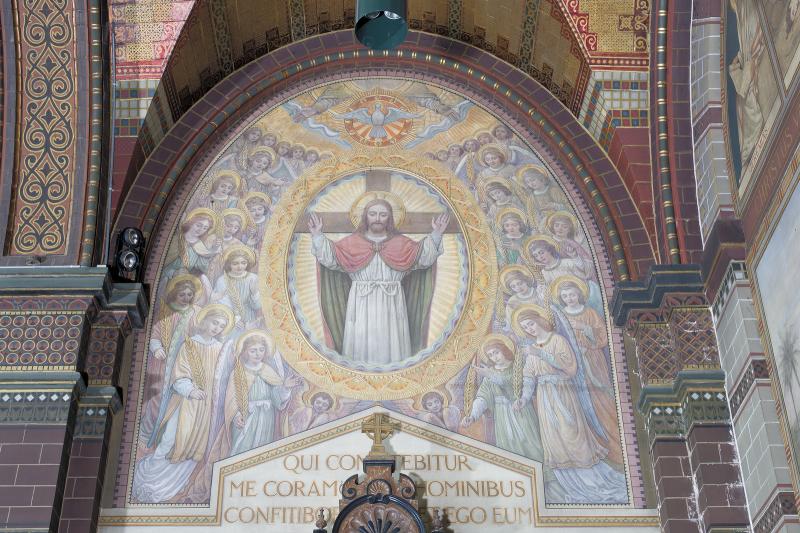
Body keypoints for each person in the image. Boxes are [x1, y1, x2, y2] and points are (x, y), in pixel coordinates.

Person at [308, 195, 448, 365]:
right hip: (360, 303)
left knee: (393, 343)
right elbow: (331, 257)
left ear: (389, 218)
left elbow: (423, 257)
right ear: (365, 216)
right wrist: (317, 235)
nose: (377, 218)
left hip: (392, 303)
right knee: (360, 344)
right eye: (373, 214)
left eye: (383, 214)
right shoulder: (352, 242)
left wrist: (436, 234)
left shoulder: (401, 243)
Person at [512, 305, 626, 503]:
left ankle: (593, 483)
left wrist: (541, 354)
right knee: (555, 440)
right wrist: (523, 398)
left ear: (539, 320)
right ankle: (574, 486)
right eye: (525, 327)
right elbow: (529, 376)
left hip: (563, 392)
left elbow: (570, 367)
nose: (529, 329)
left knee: (572, 434)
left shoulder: (557, 340)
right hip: (545, 398)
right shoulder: (531, 349)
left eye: (530, 324)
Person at [132, 304, 235, 503]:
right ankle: (152, 477)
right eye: (214, 322)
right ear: (204, 320)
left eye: (221, 326)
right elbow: (179, 373)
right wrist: (190, 390)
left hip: (206, 407)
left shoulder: (219, 350)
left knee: (195, 445)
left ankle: (173, 484)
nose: (216, 328)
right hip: (186, 402)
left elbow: (224, 377)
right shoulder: (189, 344)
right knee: (171, 439)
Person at [552, 276, 622, 466]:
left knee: (602, 398)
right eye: (565, 296)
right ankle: (598, 446)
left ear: (579, 294)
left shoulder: (590, 313)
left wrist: (585, 329)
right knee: (582, 403)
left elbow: (603, 337)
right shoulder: (560, 317)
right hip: (575, 364)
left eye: (572, 294)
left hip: (593, 360)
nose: (569, 298)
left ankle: (615, 441)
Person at [460, 334, 544, 463]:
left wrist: (491, 376)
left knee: (532, 446)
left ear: (504, 349)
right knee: (509, 448)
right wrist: (472, 416)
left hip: (521, 411)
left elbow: (513, 385)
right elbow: (483, 397)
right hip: (502, 417)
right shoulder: (490, 372)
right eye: (490, 355)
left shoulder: (518, 366)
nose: (494, 357)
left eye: (496, 352)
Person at [141, 275, 204, 442]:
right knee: (157, 398)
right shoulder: (167, 312)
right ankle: (147, 434)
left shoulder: (197, 312)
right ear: (175, 294)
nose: (186, 298)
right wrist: (157, 348)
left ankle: (166, 438)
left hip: (185, 363)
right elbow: (155, 333)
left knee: (177, 401)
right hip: (164, 364)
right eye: (182, 294)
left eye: (189, 294)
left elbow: (203, 329)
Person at [222, 331, 299, 455]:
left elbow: (276, 396)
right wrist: (236, 415)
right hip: (246, 415)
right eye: (253, 351)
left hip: (266, 416)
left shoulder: (268, 370)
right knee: (241, 447)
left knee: (262, 448)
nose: (258, 354)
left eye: (261, 350)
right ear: (245, 352)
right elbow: (232, 398)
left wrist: (285, 387)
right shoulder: (238, 372)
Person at [211, 245, 262, 332]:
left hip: (249, 318)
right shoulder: (222, 280)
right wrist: (233, 319)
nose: (240, 267)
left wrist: (254, 293)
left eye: (243, 263)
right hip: (229, 319)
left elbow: (257, 306)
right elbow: (220, 305)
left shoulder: (253, 278)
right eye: (235, 263)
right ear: (229, 264)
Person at [162, 208, 222, 281]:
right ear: (191, 222)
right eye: (198, 225)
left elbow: (201, 266)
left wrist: (215, 248)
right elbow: (163, 262)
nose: (200, 230)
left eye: (205, 228)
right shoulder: (176, 239)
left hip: (184, 279)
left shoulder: (199, 244)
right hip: (167, 276)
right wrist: (173, 273)